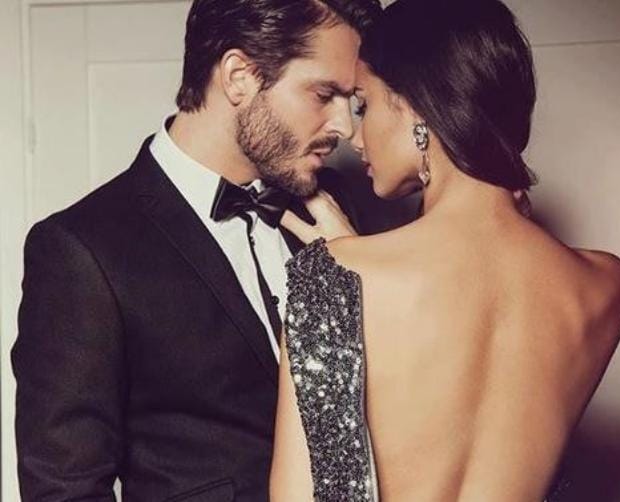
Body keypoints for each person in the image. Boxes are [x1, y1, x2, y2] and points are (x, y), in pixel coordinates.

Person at [11, 0, 381, 500]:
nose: (345, 127)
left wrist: (365, 272)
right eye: (324, 94)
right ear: (239, 77)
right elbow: (65, 489)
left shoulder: (343, 212)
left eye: (351, 101)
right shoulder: (83, 250)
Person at [270, 0, 620, 500]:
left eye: (364, 104)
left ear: (416, 108)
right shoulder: (606, 284)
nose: (354, 136)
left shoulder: (333, 278)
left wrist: (341, 271)